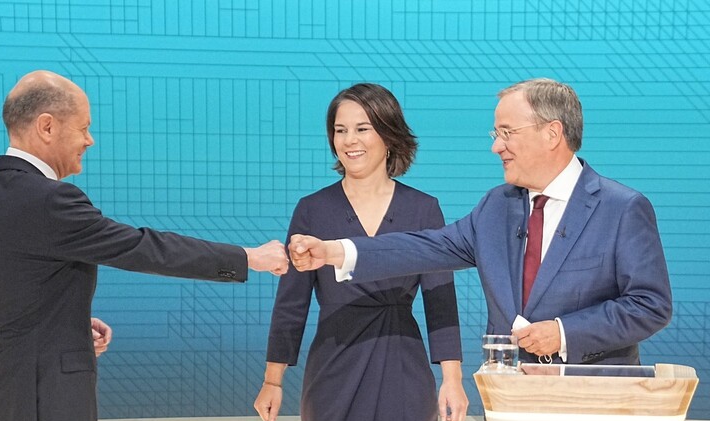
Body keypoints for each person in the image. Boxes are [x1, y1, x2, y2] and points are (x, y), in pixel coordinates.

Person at [0, 70, 288, 421]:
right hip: (46, 413)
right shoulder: (51, 201)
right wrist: (248, 257)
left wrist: (64, 328)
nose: (89, 140)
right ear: (47, 126)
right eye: (84, 128)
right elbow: (145, 248)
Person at [288, 78, 672, 369]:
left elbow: (650, 305)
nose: (496, 146)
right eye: (496, 133)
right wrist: (335, 250)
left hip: (591, 406)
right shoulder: (496, 207)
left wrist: (563, 333)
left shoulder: (621, 208)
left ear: (552, 133)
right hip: (508, 402)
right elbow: (423, 248)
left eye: (507, 133)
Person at [253, 83, 467, 421]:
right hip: (334, 363)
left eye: (362, 128)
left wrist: (452, 379)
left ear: (388, 133)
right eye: (340, 130)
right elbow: (291, 303)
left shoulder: (424, 208)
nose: (349, 140)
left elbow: (439, 299)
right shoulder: (312, 209)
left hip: (403, 364)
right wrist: (273, 380)